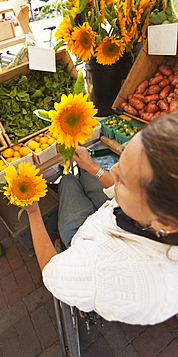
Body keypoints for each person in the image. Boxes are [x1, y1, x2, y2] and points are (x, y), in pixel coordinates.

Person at [26, 113, 178, 325]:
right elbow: (117, 189)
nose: (113, 169)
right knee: (87, 177)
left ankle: (85, 307)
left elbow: (51, 271)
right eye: (122, 160)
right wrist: (91, 167)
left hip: (84, 237)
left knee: (68, 182)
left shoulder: (103, 271)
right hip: (106, 217)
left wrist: (32, 211)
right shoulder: (161, 211)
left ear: (163, 222)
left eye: (124, 180)